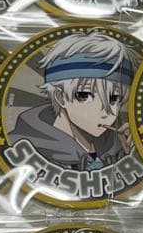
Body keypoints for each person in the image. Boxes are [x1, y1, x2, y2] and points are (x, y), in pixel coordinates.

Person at [8, 32, 135, 171]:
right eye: (84, 95)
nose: (105, 112)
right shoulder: (21, 149)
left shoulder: (116, 145)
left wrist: (134, 154)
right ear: (60, 96)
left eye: (114, 98)